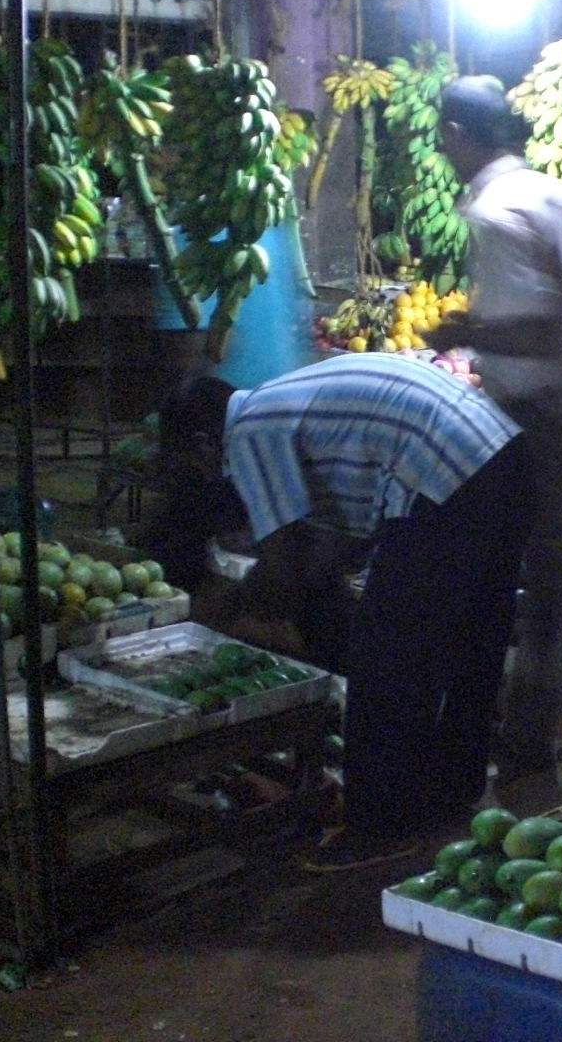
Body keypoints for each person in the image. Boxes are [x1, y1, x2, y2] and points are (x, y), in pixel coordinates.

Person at [155, 353, 531, 872]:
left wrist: (233, 607)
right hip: (503, 454)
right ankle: (450, 790)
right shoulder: (293, 403)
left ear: (202, 442)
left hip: (446, 470)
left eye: (190, 465)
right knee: (470, 638)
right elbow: (339, 544)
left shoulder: (250, 428)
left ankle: (378, 829)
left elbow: (283, 560)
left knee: (385, 659)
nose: (206, 477)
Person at [426, 74, 562, 791]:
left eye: (442, 132)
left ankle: (550, 742)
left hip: (539, 417)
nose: (439, 144)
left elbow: (534, 323)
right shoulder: (559, 194)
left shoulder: (496, 210)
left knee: (540, 583)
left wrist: (465, 329)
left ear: (459, 135)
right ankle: (530, 727)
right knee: (553, 577)